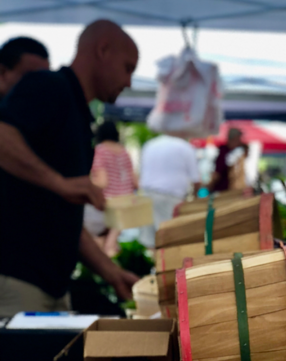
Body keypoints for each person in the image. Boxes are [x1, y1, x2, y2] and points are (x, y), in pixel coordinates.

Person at [0, 20, 139, 317]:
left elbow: (63, 215)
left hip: (52, 287)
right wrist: (59, 182)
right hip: (17, 279)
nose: (129, 82)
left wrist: (112, 273)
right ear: (102, 50)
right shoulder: (48, 85)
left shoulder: (78, 114)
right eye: (128, 68)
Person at [84, 120, 137, 256]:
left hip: (107, 204)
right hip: (126, 203)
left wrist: (86, 182)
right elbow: (135, 181)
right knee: (111, 241)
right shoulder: (124, 151)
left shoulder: (100, 151)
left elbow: (102, 182)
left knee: (102, 243)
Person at [138, 133, 201, 246]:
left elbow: (141, 173)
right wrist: (195, 197)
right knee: (169, 238)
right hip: (171, 197)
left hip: (147, 194)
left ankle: (155, 262)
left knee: (151, 239)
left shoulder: (150, 144)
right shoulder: (185, 147)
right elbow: (196, 180)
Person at [211, 127, 243, 193]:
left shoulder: (236, 152)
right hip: (222, 191)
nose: (240, 141)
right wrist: (209, 186)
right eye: (238, 138)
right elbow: (217, 174)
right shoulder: (224, 152)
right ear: (234, 138)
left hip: (230, 191)